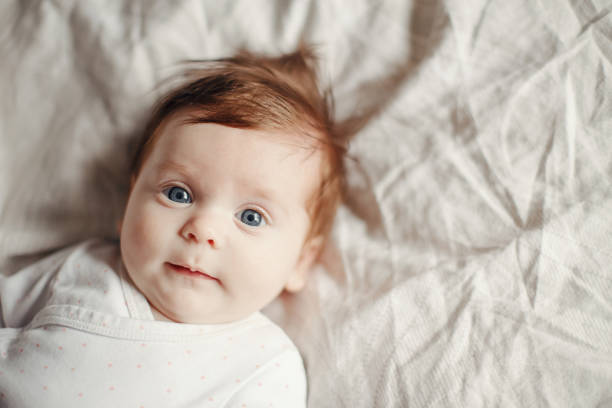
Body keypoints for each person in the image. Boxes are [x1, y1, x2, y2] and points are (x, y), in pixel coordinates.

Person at [0, 46, 346, 407]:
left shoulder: (264, 366)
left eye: (251, 217)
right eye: (179, 194)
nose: (203, 229)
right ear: (129, 202)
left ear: (301, 262)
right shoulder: (82, 266)